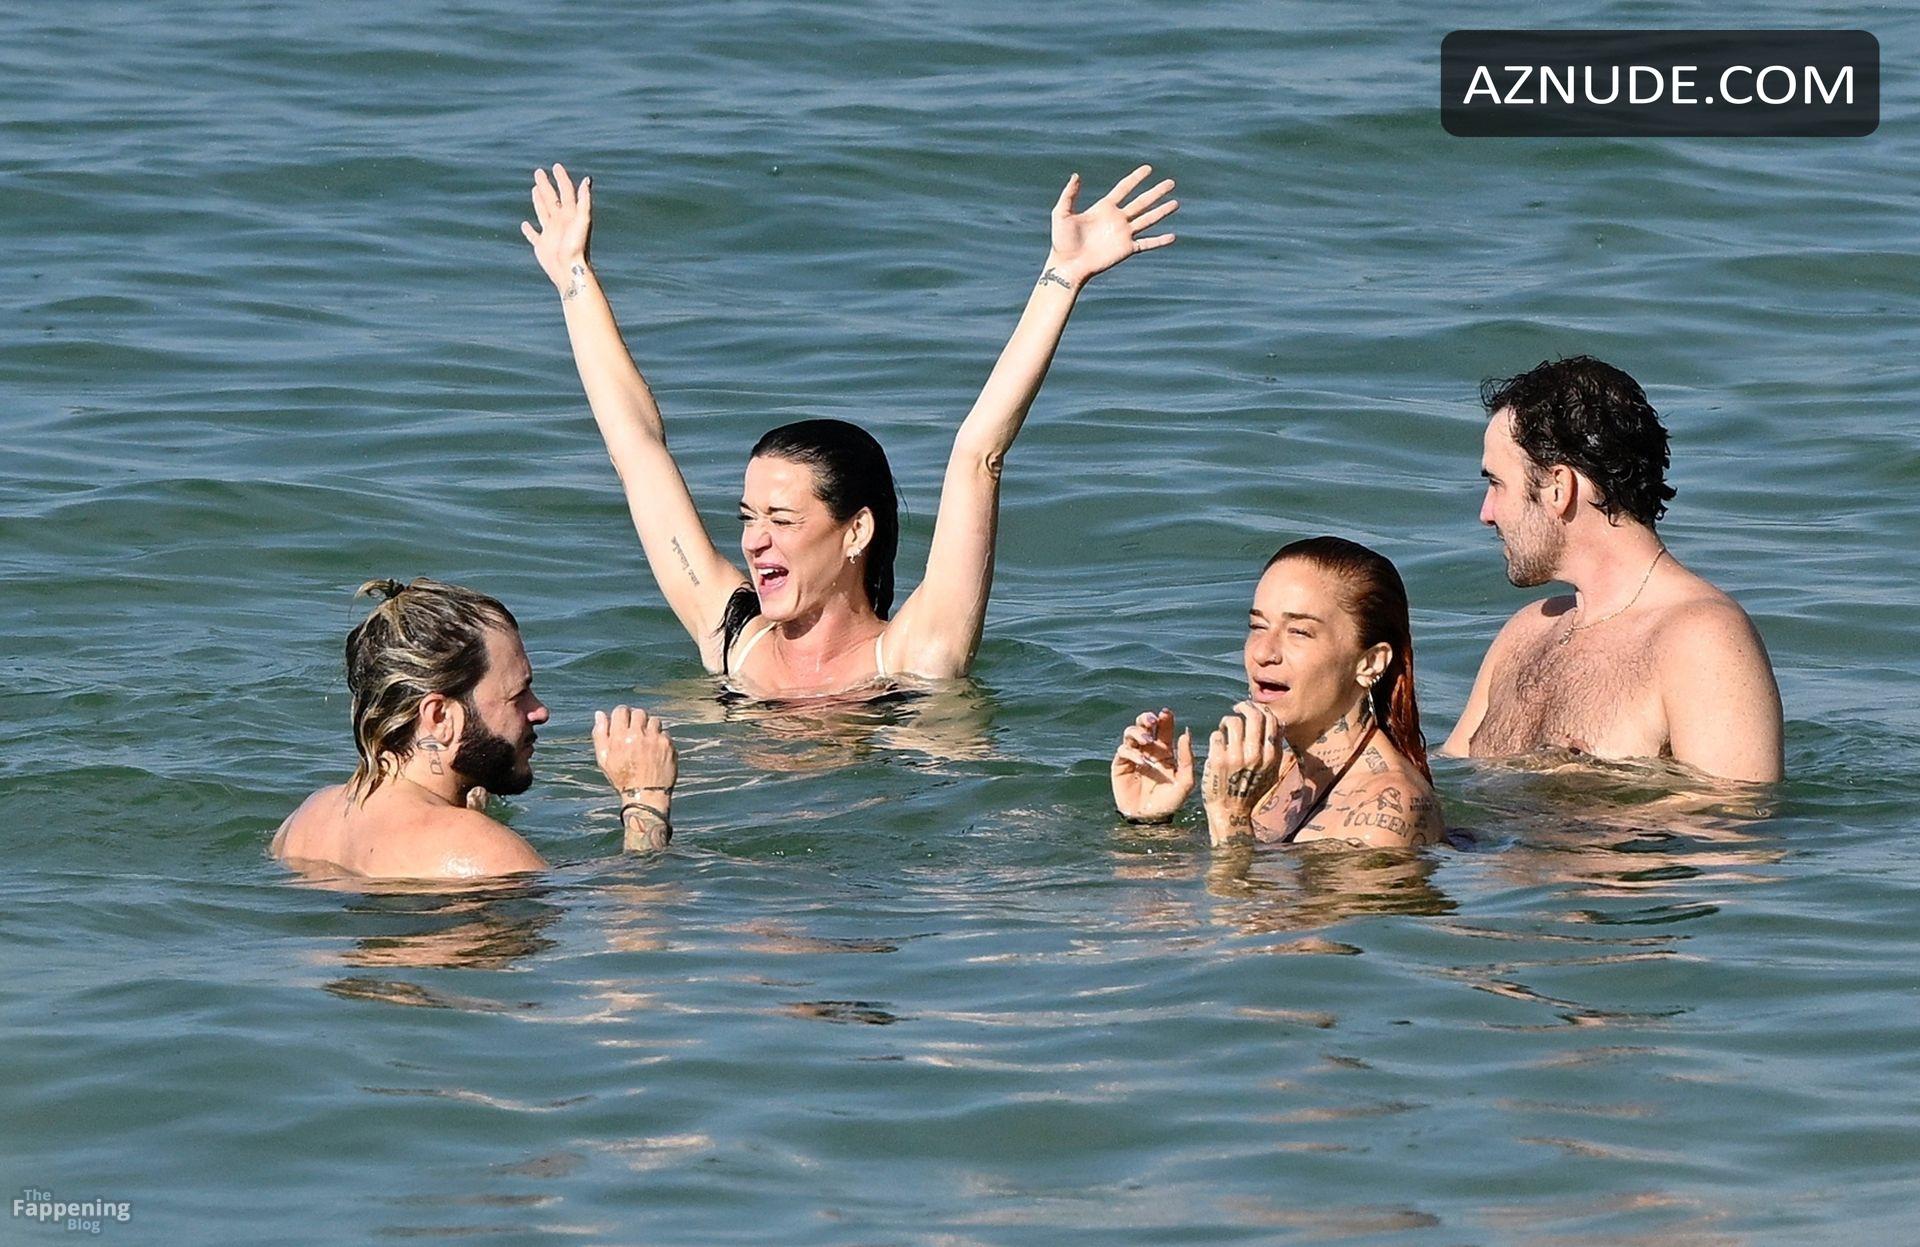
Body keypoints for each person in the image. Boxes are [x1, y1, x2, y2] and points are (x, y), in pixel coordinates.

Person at [521, 161, 1177, 698]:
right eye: (749, 517)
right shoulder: (732, 640)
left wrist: (1063, 276)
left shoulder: (917, 655)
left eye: (782, 519)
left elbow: (979, 454)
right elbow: (637, 450)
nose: (754, 541)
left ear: (857, 530)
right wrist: (573, 277)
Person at [1440, 356, 1784, 783]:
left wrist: (1585, 790)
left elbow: (1735, 815)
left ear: (1558, 487)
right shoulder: (1526, 631)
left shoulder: (1702, 639)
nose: (1486, 513)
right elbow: (1448, 778)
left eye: (1496, 483)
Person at [272, 578, 679, 882]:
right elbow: (636, 934)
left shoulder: (306, 821)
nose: (539, 711)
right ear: (439, 717)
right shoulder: (484, 853)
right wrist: (646, 799)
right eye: (518, 695)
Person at [1110, 538, 1445, 849]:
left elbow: (1239, 892)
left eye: (1299, 631)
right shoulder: (1274, 773)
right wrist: (1150, 821)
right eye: (1258, 626)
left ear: (1370, 662)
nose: (1262, 652)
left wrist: (1230, 817)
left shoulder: (1387, 811)